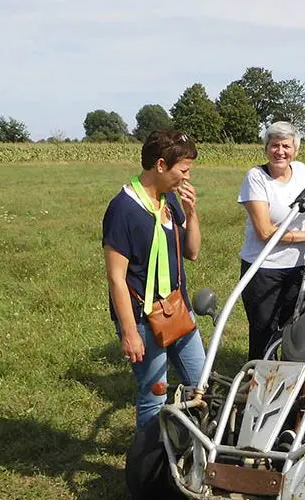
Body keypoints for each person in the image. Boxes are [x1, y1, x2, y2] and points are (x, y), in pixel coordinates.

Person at [102, 130, 205, 429]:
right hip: (143, 319)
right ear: (161, 165)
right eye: (183, 170)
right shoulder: (123, 209)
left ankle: (193, 445)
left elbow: (192, 252)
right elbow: (116, 278)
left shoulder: (168, 200)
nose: (187, 177)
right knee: (154, 393)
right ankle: (149, 454)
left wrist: (191, 213)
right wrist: (129, 332)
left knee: (201, 385)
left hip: (177, 309)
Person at [239, 121, 305, 361]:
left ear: (295, 150)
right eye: (274, 145)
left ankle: (290, 378)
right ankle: (258, 376)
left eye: (286, 146)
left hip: (298, 267)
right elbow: (265, 232)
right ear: (266, 148)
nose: (280, 151)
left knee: (296, 329)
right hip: (263, 269)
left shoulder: (301, 172)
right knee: (264, 331)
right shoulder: (256, 177)